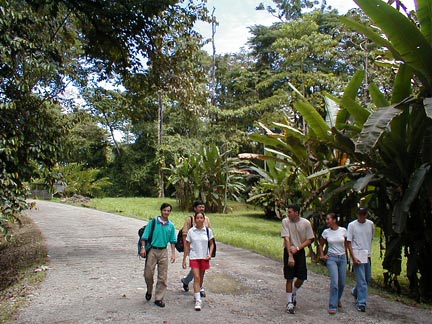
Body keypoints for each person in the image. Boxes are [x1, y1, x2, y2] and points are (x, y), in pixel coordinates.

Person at [140, 203, 177, 308]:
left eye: (168, 211)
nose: (166, 212)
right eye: (165, 210)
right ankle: (149, 290)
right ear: (161, 211)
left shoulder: (171, 226)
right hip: (152, 250)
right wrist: (143, 248)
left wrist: (173, 254)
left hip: (163, 251)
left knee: (163, 276)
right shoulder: (153, 223)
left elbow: (173, 241)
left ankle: (159, 298)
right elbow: (144, 237)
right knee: (148, 274)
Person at [281, 204, 315, 314]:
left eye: (290, 212)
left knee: (301, 277)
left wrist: (298, 248)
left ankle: (294, 292)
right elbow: (286, 238)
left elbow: (310, 239)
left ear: (296, 212)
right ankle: (289, 302)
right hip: (289, 251)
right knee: (289, 277)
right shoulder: (285, 221)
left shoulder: (306, 223)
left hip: (299, 251)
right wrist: (290, 255)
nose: (288, 214)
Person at [182, 211, 215, 311]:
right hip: (194, 257)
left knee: (200, 278)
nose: (199, 220)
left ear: (204, 219)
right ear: (195, 219)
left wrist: (210, 254)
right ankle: (198, 301)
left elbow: (212, 243)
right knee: (196, 277)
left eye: (201, 218)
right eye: (198, 218)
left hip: (204, 257)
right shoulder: (191, 231)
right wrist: (184, 258)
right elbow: (187, 245)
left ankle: (196, 294)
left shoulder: (208, 231)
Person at [180, 200, 211, 297]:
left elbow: (208, 234)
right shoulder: (190, 220)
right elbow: (185, 234)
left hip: (203, 249)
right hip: (193, 248)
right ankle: (200, 289)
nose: (201, 208)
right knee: (196, 268)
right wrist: (187, 249)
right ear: (195, 208)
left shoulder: (207, 219)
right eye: (199, 207)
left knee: (198, 268)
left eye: (203, 207)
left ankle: (186, 281)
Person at [347, 206, 375, 312]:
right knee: (362, 280)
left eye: (363, 214)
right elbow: (349, 241)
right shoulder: (352, 225)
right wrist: (353, 256)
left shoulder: (370, 224)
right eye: (360, 214)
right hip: (357, 253)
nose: (361, 216)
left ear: (366, 215)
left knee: (366, 279)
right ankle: (361, 302)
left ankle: (355, 291)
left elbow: (371, 238)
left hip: (366, 254)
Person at [319, 213, 347, 314]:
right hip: (332, 258)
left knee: (342, 282)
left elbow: (347, 244)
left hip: (342, 257)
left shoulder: (343, 230)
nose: (327, 221)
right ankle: (332, 305)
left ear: (334, 220)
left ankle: (337, 298)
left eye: (328, 219)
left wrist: (348, 256)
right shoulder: (326, 232)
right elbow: (321, 244)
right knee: (334, 282)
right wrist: (322, 255)